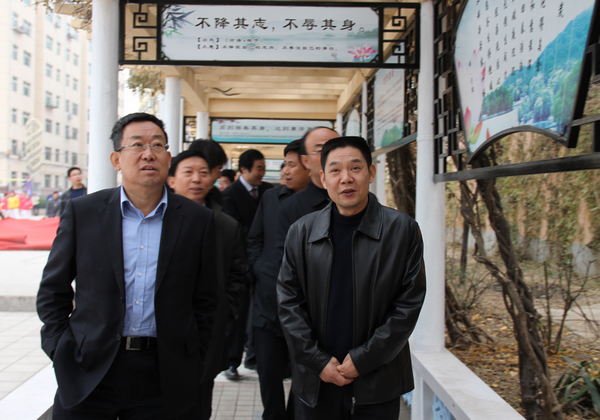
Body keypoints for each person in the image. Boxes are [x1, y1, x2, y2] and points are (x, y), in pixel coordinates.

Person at [36, 113, 218, 419]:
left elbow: (207, 299)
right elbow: (53, 289)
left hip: (163, 374)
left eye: (157, 145)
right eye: (137, 145)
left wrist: (194, 356)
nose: (148, 154)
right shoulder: (84, 212)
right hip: (89, 369)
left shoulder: (197, 220)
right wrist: (60, 348)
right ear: (116, 160)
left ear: (168, 157)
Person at [277, 137, 426, 419]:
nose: (346, 178)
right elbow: (288, 303)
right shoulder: (302, 232)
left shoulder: (402, 230)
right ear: (323, 178)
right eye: (335, 170)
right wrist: (317, 361)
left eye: (355, 168)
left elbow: (408, 305)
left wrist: (364, 359)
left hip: (378, 380)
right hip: (317, 379)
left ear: (371, 173)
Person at [167, 148, 246, 420]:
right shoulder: (154, 220)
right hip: (160, 334)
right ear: (171, 180)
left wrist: (225, 312)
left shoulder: (225, 225)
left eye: (203, 173)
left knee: (198, 404)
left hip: (205, 333)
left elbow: (237, 275)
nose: (196, 179)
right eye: (188, 172)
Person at [247, 140, 310, 420]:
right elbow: (255, 239)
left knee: (303, 373)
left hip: (306, 310)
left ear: (309, 167)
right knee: (268, 371)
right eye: (284, 164)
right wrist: (259, 269)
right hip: (268, 303)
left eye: (291, 165)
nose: (285, 171)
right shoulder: (271, 197)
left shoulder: (324, 203)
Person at [221, 149, 273, 380]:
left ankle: (255, 358)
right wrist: (260, 235)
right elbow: (234, 228)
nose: (262, 173)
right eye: (259, 168)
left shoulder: (268, 191)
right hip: (240, 263)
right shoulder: (229, 194)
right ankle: (231, 362)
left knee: (262, 312)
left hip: (264, 262)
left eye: (263, 168)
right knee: (239, 314)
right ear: (244, 169)